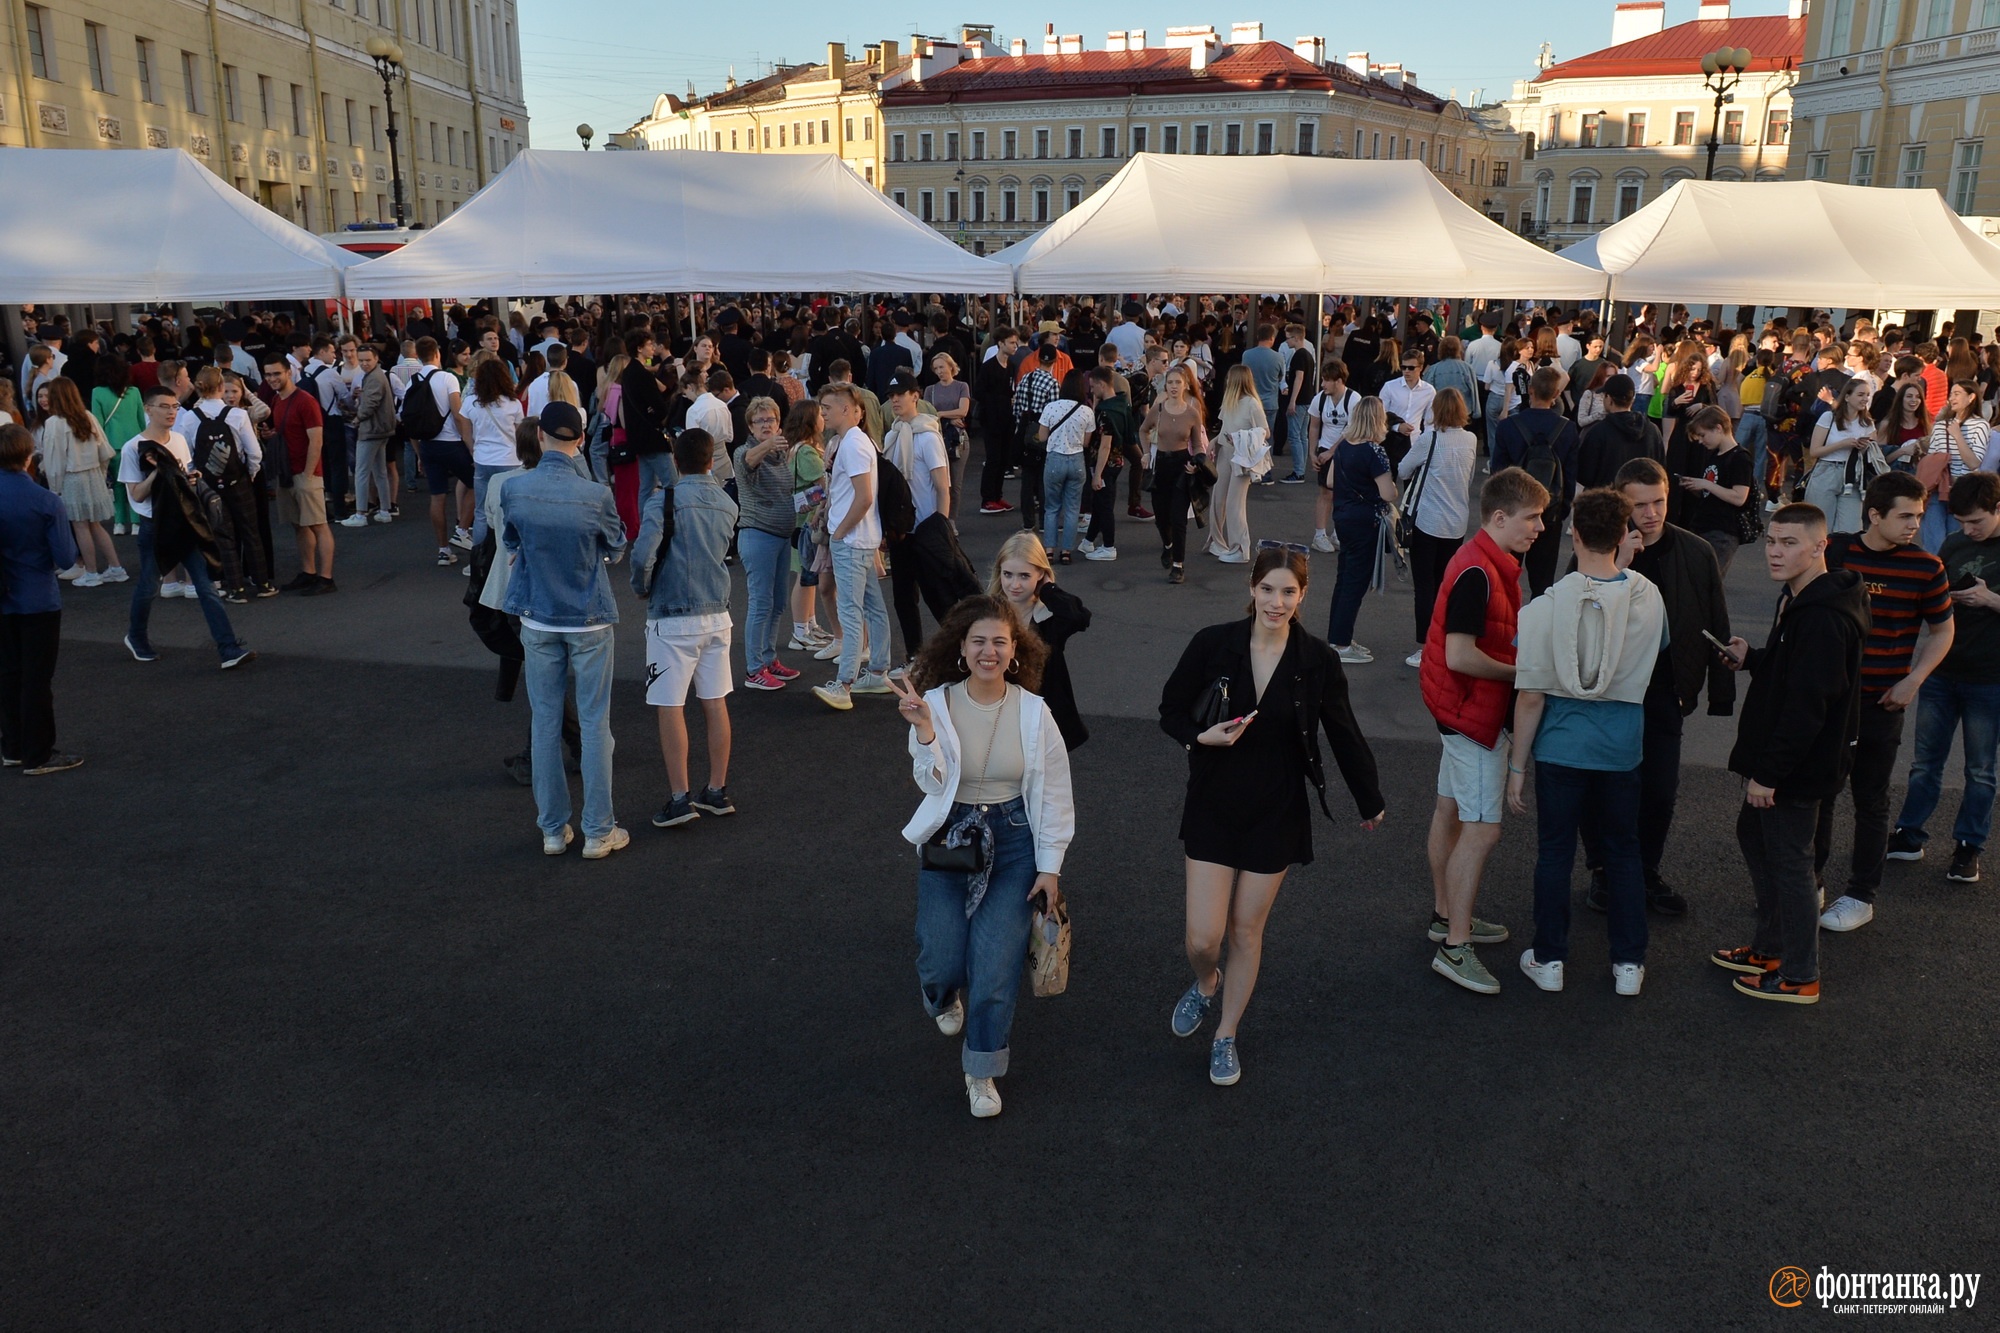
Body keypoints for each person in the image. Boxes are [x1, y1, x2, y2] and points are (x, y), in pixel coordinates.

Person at [1158, 548, 1385, 1085]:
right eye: (1268, 589)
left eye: (1288, 592)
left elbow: (1344, 730)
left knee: (1245, 930)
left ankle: (1226, 1035)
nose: (1276, 602)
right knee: (1202, 939)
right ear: (1251, 588)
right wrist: (1199, 737)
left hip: (1277, 809)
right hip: (1214, 801)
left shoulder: (1317, 661)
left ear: (1302, 596)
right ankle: (1206, 983)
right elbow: (1169, 709)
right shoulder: (1213, 644)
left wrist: (1368, 797)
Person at [890, 595, 1070, 1119]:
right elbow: (930, 781)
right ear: (961, 649)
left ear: (1015, 650)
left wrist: (1050, 866)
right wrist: (924, 731)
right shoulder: (938, 703)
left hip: (1014, 840)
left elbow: (1055, 792)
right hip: (952, 833)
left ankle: (982, 1070)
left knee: (995, 967)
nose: (989, 651)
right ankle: (942, 997)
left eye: (1000, 641)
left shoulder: (1035, 713)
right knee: (940, 955)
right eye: (979, 642)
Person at [1507, 488, 1666, 997]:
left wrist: (1516, 767)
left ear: (1572, 534)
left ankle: (1550, 957)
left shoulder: (1544, 607)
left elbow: (1530, 695)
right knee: (1623, 850)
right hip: (1621, 747)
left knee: (1554, 851)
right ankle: (1628, 963)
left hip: (1560, 747)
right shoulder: (1647, 596)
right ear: (1624, 535)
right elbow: (1658, 653)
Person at [1714, 503, 1867, 1005]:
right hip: (1787, 765)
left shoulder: (1822, 616)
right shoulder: (1802, 597)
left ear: (1819, 546)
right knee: (1756, 840)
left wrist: (1768, 775)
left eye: (1789, 544)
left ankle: (1800, 975)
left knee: (1791, 864)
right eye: (1772, 542)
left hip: (1795, 771)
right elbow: (1793, 672)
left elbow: (1808, 706)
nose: (1775, 553)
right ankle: (1772, 948)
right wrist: (1753, 659)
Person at [1575, 458, 1734, 917]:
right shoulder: (1598, 548)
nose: (1651, 513)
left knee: (1659, 790)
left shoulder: (1696, 551)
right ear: (1621, 502)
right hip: (1609, 694)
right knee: (1605, 788)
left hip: (1667, 692)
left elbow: (1716, 623)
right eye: (1639, 504)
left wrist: (1720, 692)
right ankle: (1604, 872)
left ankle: (1645, 871)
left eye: (1659, 501)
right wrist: (1617, 563)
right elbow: (1573, 611)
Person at [1421, 467, 1550, 994]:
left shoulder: (1486, 561)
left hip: (1454, 711)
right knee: (1483, 828)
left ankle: (1445, 915)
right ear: (1499, 518)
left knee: (1449, 810)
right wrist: (1523, 673)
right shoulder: (1479, 571)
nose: (1541, 527)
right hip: (1471, 717)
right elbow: (1459, 655)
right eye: (1532, 518)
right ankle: (1455, 947)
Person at [1814, 472, 1954, 933]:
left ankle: (1860, 895)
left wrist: (1914, 680)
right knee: (1820, 795)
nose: (1916, 523)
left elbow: (1943, 630)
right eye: (1906, 516)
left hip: (1882, 705)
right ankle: (1809, 883)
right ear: (1874, 515)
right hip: (1828, 700)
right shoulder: (1834, 551)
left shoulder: (1926, 568)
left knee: (1870, 801)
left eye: (1918, 514)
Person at [501, 402, 628, 860]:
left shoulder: (516, 489)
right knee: (595, 724)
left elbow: (511, 542)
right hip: (589, 615)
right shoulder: (595, 496)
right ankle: (598, 829)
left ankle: (553, 830)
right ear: (579, 440)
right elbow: (615, 546)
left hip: (537, 614)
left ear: (540, 437)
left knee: (546, 720)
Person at [1884, 470, 2000, 884]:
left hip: (1990, 679)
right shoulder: (1953, 543)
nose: (1968, 530)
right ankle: (1909, 834)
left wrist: (1991, 599)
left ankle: (1969, 846)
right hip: (1942, 671)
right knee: (1924, 764)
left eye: (1977, 522)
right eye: (1963, 522)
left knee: (1981, 770)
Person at [631, 427, 738, 829]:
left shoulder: (664, 502)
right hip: (718, 614)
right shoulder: (728, 505)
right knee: (715, 702)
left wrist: (641, 588)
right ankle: (717, 789)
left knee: (670, 706)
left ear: (676, 459)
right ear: (712, 459)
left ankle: (680, 798)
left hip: (672, 616)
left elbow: (643, 556)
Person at [118, 385, 256, 670]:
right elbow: (137, 494)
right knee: (147, 586)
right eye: (164, 406)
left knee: (205, 587)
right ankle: (136, 636)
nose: (171, 411)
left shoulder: (179, 440)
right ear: (148, 409)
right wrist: (160, 470)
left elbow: (186, 475)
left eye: (174, 406)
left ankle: (228, 648)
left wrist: (189, 477)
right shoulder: (134, 447)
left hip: (185, 520)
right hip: (154, 526)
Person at [883, 372, 983, 662]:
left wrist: (942, 527)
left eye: (900, 394)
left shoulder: (927, 436)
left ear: (916, 396)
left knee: (939, 598)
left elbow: (943, 486)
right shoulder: (892, 435)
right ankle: (914, 658)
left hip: (927, 530)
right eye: (891, 396)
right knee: (903, 599)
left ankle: (964, 653)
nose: (895, 400)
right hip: (901, 532)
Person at [0, 422, 82, 773]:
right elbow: (65, 557)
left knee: (8, 674)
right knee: (36, 678)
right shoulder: (46, 501)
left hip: (3, 600)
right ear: (30, 456)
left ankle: (13, 746)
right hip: (37, 598)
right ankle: (39, 753)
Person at [810, 383, 894, 710]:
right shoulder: (854, 442)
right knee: (871, 607)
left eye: (828, 408)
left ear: (847, 410)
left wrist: (839, 533)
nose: (823, 413)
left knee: (852, 610)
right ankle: (877, 671)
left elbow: (864, 498)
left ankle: (844, 684)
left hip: (852, 541)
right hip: (859, 540)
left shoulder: (853, 445)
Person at [1398, 388, 1478, 669]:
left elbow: (1403, 470)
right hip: (1457, 522)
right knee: (1446, 585)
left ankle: (1424, 646)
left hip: (1427, 521)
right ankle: (1443, 642)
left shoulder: (1429, 439)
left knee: (1424, 587)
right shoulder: (1471, 439)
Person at [990, 530, 1089, 749]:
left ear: (1041, 575)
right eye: (1008, 574)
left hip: (1042, 719)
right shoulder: (988, 613)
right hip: (998, 715)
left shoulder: (1049, 618)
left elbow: (1079, 618)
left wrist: (1049, 589)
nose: (1014, 584)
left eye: (1024, 576)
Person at [176, 367, 266, 601]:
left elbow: (188, 456)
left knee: (223, 535)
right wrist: (251, 473)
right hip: (239, 481)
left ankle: (236, 588)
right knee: (250, 532)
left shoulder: (188, 418)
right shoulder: (238, 415)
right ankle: (263, 582)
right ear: (220, 388)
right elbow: (254, 452)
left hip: (209, 484)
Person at [1490, 367, 1580, 595]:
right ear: (1557, 394)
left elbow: (1497, 472)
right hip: (1549, 512)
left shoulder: (1508, 426)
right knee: (1543, 582)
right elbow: (1570, 475)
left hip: (1513, 510)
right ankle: (1538, 626)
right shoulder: (1567, 429)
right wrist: (1563, 507)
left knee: (1505, 578)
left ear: (1530, 390)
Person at [733, 397, 799, 691]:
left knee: (777, 603)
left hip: (782, 538)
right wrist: (769, 445)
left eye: (770, 420)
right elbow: (748, 462)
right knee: (761, 603)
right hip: (758, 535)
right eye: (759, 421)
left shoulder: (780, 456)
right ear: (750, 426)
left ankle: (769, 658)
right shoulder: (745, 453)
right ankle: (753, 668)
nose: (766, 425)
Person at [1324, 397, 1396, 664]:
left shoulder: (1343, 446)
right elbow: (1387, 492)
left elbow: (1331, 481)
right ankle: (1341, 643)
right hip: (1366, 521)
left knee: (1345, 578)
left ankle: (1337, 637)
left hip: (1342, 516)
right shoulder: (1374, 451)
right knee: (1355, 582)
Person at [35, 378, 121, 588]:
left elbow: (55, 460)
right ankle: (116, 567)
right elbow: (105, 450)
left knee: (80, 526)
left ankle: (91, 572)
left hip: (72, 478)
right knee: (96, 524)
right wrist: (100, 473)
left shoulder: (54, 422)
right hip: (93, 475)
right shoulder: (87, 416)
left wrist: (54, 487)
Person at [407, 336, 475, 567]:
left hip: (427, 445)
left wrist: (418, 454)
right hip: (451, 443)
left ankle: (443, 549)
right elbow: (457, 414)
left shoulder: (412, 382)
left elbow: (410, 423)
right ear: (437, 353)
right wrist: (470, 446)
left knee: (437, 496)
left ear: (417, 355)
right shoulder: (447, 378)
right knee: (478, 483)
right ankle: (462, 529)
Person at [1142, 360, 1205, 585]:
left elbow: (1197, 445)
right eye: (1170, 383)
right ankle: (1168, 545)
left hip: (1181, 465)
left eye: (1178, 382)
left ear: (1186, 385)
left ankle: (1178, 565)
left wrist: (1197, 462)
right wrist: (1146, 453)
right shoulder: (1158, 409)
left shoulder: (1192, 413)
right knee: (1161, 517)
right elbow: (1143, 430)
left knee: (1179, 519)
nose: (1174, 386)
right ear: (1165, 386)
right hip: (1160, 464)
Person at [1676, 404, 1755, 571]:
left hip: (1723, 531)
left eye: (1703, 435)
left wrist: (1706, 484)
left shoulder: (1740, 458)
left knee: (1709, 581)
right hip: (1703, 524)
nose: (1700, 440)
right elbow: (1713, 492)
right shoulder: (1714, 454)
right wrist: (1695, 487)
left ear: (1718, 428)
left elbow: (1739, 497)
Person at [1802, 377, 1882, 534]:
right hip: (1827, 471)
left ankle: (1842, 557)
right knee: (1821, 529)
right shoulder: (1829, 417)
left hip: (1853, 477)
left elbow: (1873, 453)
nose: (1865, 399)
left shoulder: (1867, 422)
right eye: (1860, 395)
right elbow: (1814, 451)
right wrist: (1842, 444)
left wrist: (1865, 446)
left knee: (1850, 530)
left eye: (1867, 395)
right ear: (1847, 397)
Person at [1918, 380, 1990, 553]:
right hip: (1937, 488)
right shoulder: (1941, 425)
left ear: (1971, 397)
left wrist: (1957, 435)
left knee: (1956, 542)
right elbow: (1931, 457)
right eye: (1951, 394)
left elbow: (1973, 462)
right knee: (1934, 543)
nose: (1952, 398)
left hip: (1962, 490)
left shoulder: (1980, 425)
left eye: (1957, 393)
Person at [463, 357, 526, 546]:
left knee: (481, 511)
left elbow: (466, 435)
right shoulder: (513, 404)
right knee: (510, 510)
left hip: (483, 460)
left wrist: (474, 453)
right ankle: (508, 556)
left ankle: (479, 561)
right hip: (510, 460)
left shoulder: (470, 402)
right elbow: (520, 433)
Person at [1209, 365, 1268, 564]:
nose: (1226, 382)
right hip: (1226, 453)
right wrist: (1214, 441)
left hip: (1242, 457)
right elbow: (1225, 428)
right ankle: (1217, 541)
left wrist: (1240, 438)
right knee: (1218, 498)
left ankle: (1241, 548)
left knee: (1235, 503)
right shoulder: (1229, 401)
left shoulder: (1252, 404)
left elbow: (1265, 431)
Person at [1080, 366, 1136, 561]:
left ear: (1102, 385)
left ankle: (1109, 546)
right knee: (1100, 504)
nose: (1091, 391)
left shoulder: (1104, 413)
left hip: (1103, 464)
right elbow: (1130, 435)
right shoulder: (1123, 404)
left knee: (1104, 506)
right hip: (1118, 461)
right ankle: (1088, 540)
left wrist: (1097, 474)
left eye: (1093, 386)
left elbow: (1104, 445)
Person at [1307, 360, 1360, 555]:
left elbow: (1351, 430)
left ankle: (1338, 532)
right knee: (1325, 493)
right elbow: (1314, 426)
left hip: (1346, 451)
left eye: (1326, 380)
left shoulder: (1354, 399)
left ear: (1339, 381)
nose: (1323, 384)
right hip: (1325, 448)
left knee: (1344, 494)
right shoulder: (1320, 399)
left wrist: (1333, 451)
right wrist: (1313, 453)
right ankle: (1319, 535)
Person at [1575, 374, 1664, 491]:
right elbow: (1660, 468)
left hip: (1607, 501)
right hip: (1641, 499)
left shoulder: (1598, 432)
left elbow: (1584, 475)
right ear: (1632, 399)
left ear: (1609, 399)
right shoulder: (1653, 430)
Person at [345, 342, 397, 527]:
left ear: (376, 358)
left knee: (361, 472)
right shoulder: (377, 375)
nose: (364, 363)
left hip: (371, 429)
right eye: (362, 360)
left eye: (368, 359)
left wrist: (357, 419)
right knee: (380, 472)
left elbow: (370, 404)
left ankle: (360, 513)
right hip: (381, 429)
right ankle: (384, 510)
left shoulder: (373, 378)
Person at [974, 327, 1021, 515]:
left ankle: (997, 494)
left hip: (1006, 418)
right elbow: (979, 392)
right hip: (991, 419)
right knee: (993, 459)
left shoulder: (1011, 366)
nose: (1015, 346)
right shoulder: (988, 367)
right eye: (1011, 342)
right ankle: (987, 499)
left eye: (1016, 342)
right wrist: (1000, 400)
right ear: (1000, 344)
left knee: (1003, 459)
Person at [1239, 323, 1286, 484]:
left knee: (1249, 436)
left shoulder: (1247, 355)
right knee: (1266, 438)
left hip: (1250, 401)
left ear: (1258, 336)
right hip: (1270, 402)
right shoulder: (1278, 357)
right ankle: (1265, 473)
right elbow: (1281, 377)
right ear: (1272, 338)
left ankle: (1250, 470)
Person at [1379, 348, 1437, 471]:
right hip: (1390, 440)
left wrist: (1426, 443)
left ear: (1420, 368)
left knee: (1411, 484)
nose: (1406, 371)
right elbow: (1380, 415)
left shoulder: (1429, 390)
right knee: (1389, 479)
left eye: (1411, 368)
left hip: (1415, 442)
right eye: (1403, 367)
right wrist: (1397, 427)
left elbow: (1430, 421)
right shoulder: (1389, 387)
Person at [1275, 323, 1317, 484]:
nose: (1286, 342)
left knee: (1295, 436)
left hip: (1299, 400)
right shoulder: (1307, 354)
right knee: (1302, 436)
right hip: (1307, 399)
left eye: (1288, 338)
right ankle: (1301, 469)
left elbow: (1299, 378)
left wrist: (1292, 400)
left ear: (1297, 338)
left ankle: (1298, 471)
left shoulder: (1299, 355)